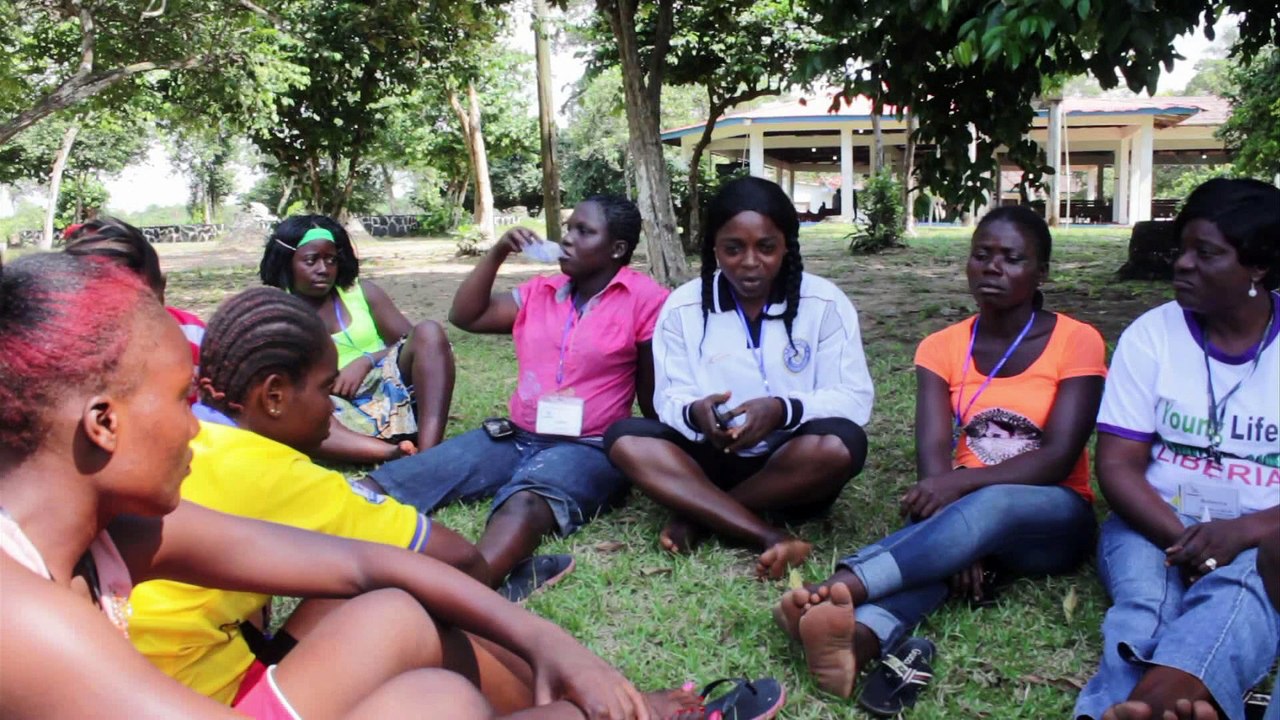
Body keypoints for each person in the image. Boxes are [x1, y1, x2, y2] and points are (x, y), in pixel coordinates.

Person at [0, 252, 708, 720]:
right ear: (103, 422)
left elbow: (364, 562)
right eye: (183, 400)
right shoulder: (19, 618)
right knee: (437, 704)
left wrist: (551, 641)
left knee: (398, 617)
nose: (197, 427)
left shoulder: (111, 529)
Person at [773, 205, 1106, 709]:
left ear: (1041, 271)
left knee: (991, 506)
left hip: (1053, 515)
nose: (992, 268)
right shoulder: (940, 346)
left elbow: (1058, 456)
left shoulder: (1076, 340)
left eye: (1012, 258)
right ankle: (855, 647)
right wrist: (959, 527)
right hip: (962, 517)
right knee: (940, 560)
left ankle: (839, 586)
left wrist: (957, 489)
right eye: (981, 255)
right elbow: (931, 454)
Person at [128, 285, 496, 704]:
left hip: (149, 682)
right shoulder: (269, 471)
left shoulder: (191, 436)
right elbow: (460, 560)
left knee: (356, 575)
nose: (331, 409)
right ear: (273, 396)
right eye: (325, 390)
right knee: (411, 608)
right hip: (213, 697)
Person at [366, 196, 669, 601]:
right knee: (396, 481)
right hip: (517, 436)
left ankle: (465, 593)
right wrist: (497, 252)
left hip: (589, 447)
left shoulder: (646, 300)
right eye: (568, 229)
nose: (568, 240)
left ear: (617, 249)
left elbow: (654, 397)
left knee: (526, 504)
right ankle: (322, 538)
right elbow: (466, 316)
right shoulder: (541, 290)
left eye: (584, 231)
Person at [1072, 178, 1280, 720]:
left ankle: (1143, 706)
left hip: (1264, 529)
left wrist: (1240, 535)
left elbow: (1245, 545)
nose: (1182, 265)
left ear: (1257, 266)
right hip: (1154, 522)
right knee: (1144, 605)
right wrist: (1187, 542)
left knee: (1240, 585)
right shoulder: (1152, 335)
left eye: (1205, 253)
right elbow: (1116, 466)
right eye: (1181, 249)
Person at [604, 176, 873, 581]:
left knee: (841, 445)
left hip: (790, 468)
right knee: (624, 437)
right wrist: (697, 414)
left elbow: (854, 399)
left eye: (766, 247)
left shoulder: (825, 303)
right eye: (733, 248)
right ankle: (765, 533)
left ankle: (702, 516)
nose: (750, 262)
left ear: (787, 246)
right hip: (709, 460)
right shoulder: (683, 307)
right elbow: (668, 397)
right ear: (714, 249)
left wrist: (784, 410)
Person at [259, 215, 455, 463]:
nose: (323, 269)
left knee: (429, 331)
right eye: (311, 261)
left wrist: (365, 361)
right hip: (332, 408)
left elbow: (411, 342)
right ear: (287, 263)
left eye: (331, 260)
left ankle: (428, 454)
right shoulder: (274, 313)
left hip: (389, 393)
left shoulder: (361, 293)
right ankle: (389, 453)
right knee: (291, 411)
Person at [63, 217, 206, 391]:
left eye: (140, 311)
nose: (126, 333)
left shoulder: (196, 338)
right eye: (107, 316)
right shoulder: (67, 358)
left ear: (161, 291)